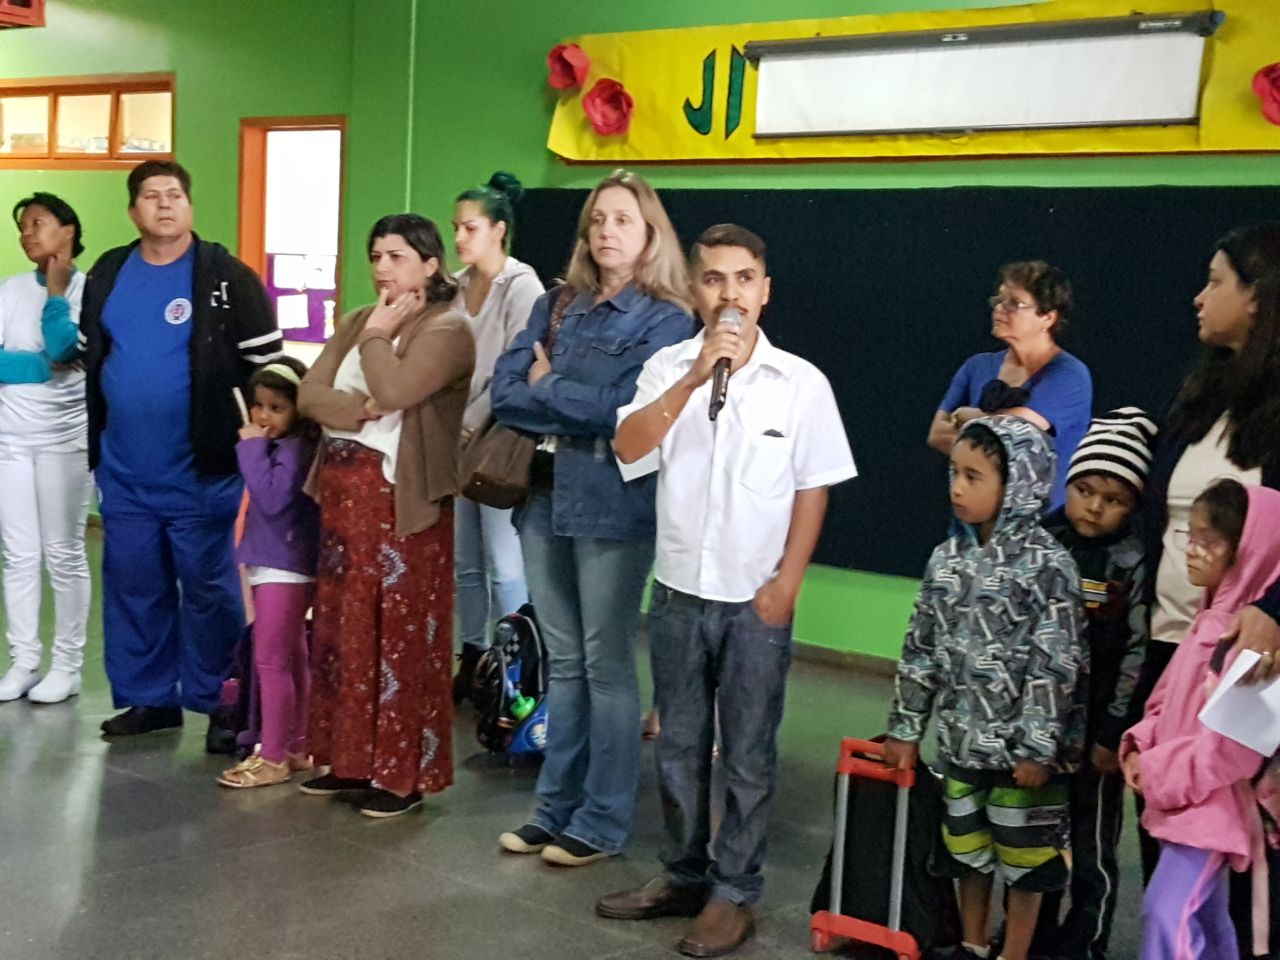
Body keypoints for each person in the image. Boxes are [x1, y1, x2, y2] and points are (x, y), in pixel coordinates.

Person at [597, 225, 856, 956]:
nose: (729, 294)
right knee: (679, 746)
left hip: (755, 598)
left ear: (764, 291)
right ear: (694, 290)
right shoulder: (667, 366)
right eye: (713, 279)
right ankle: (684, 873)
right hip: (678, 591)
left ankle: (735, 890)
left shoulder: (801, 383)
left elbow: (813, 488)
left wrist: (789, 582)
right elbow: (628, 446)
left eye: (744, 279)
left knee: (747, 751)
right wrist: (691, 379)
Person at [491, 170, 694, 866]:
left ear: (650, 234)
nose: (608, 231)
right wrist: (565, 397)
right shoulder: (556, 304)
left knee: (606, 665)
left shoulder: (668, 319)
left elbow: (630, 414)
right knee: (566, 662)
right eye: (598, 219)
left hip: (613, 505)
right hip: (542, 498)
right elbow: (506, 394)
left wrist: (551, 386)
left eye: (623, 220)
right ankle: (552, 810)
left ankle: (602, 821)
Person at [80, 160, 281, 750]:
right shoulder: (109, 272)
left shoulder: (228, 278)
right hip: (124, 470)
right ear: (132, 211)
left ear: (190, 205)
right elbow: (94, 356)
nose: (164, 204)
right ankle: (150, 698)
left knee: (209, 590)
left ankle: (222, 702)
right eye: (151, 195)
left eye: (174, 194)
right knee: (133, 584)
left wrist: (261, 446)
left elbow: (269, 373)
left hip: (201, 471)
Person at [885, 416, 1085, 960]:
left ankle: (1014, 952)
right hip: (960, 743)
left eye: (974, 477)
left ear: (1017, 483)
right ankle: (972, 944)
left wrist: (1037, 747)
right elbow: (921, 648)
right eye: (954, 472)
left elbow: (1056, 664)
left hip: (1022, 758)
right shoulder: (945, 560)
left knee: (1026, 860)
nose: (957, 487)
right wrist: (906, 727)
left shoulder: (1050, 566)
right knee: (966, 851)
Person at [297, 214, 473, 818]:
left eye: (396, 256)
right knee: (344, 631)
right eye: (375, 256)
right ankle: (347, 761)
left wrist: (378, 337)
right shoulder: (355, 320)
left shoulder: (447, 328)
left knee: (399, 635)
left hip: (403, 503)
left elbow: (396, 391)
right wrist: (357, 408)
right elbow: (309, 394)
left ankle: (401, 776)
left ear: (430, 263)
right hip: (343, 500)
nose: (381, 268)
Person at [1132, 223, 1280, 883]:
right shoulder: (1202, 399)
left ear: (1258, 296)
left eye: (1215, 281)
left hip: (1253, 665)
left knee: (1238, 847)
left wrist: (1275, 609)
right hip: (1173, 648)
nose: (1199, 297)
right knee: (1167, 834)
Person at [1121, 480, 1280, 960]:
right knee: (1208, 920)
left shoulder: (1260, 647)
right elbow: (1162, 703)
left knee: (1164, 915)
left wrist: (1159, 774)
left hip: (1213, 811)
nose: (1190, 550)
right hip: (1183, 803)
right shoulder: (1206, 620)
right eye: (1188, 535)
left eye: (1207, 540)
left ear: (1247, 552)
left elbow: (1235, 752)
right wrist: (1139, 745)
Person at [1033, 408, 1156, 960]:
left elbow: (1137, 651)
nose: (1095, 506)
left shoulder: (1133, 562)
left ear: (1133, 506)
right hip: (1042, 732)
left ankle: (1086, 942)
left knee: (1092, 847)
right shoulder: (1043, 543)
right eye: (1084, 490)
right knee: (1036, 837)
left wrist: (1113, 731)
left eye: (1114, 499)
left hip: (1097, 738)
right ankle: (1032, 934)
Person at [451, 171, 544, 701]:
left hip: (496, 439)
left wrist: (472, 422)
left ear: (498, 230)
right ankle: (472, 657)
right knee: (465, 560)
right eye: (456, 227)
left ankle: (515, 670)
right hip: (454, 439)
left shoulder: (522, 285)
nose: (459, 238)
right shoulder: (455, 286)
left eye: (470, 228)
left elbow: (515, 366)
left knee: (505, 560)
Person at [0, 193, 93, 704]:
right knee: (18, 554)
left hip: (66, 443)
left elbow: (66, 347)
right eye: (22, 226)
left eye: (38, 223)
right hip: (10, 440)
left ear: (68, 231)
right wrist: (37, 367)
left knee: (63, 553)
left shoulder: (89, 291)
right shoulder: (10, 290)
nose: (27, 233)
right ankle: (23, 661)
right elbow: (52, 360)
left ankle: (67, 665)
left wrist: (56, 294)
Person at [217, 357, 320, 789]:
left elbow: (272, 498)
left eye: (276, 408)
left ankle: (273, 756)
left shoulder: (293, 451)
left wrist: (250, 448)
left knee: (271, 661)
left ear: (299, 409)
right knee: (292, 656)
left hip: (284, 565)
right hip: (275, 562)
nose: (262, 416)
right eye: (258, 406)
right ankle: (296, 745)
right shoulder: (285, 447)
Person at [928, 261, 1092, 512]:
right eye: (999, 300)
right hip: (978, 521)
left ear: (1047, 317)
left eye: (1014, 303)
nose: (999, 309)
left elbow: (1019, 430)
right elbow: (937, 434)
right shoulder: (977, 366)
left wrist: (966, 416)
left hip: (1043, 523)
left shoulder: (1070, 374)